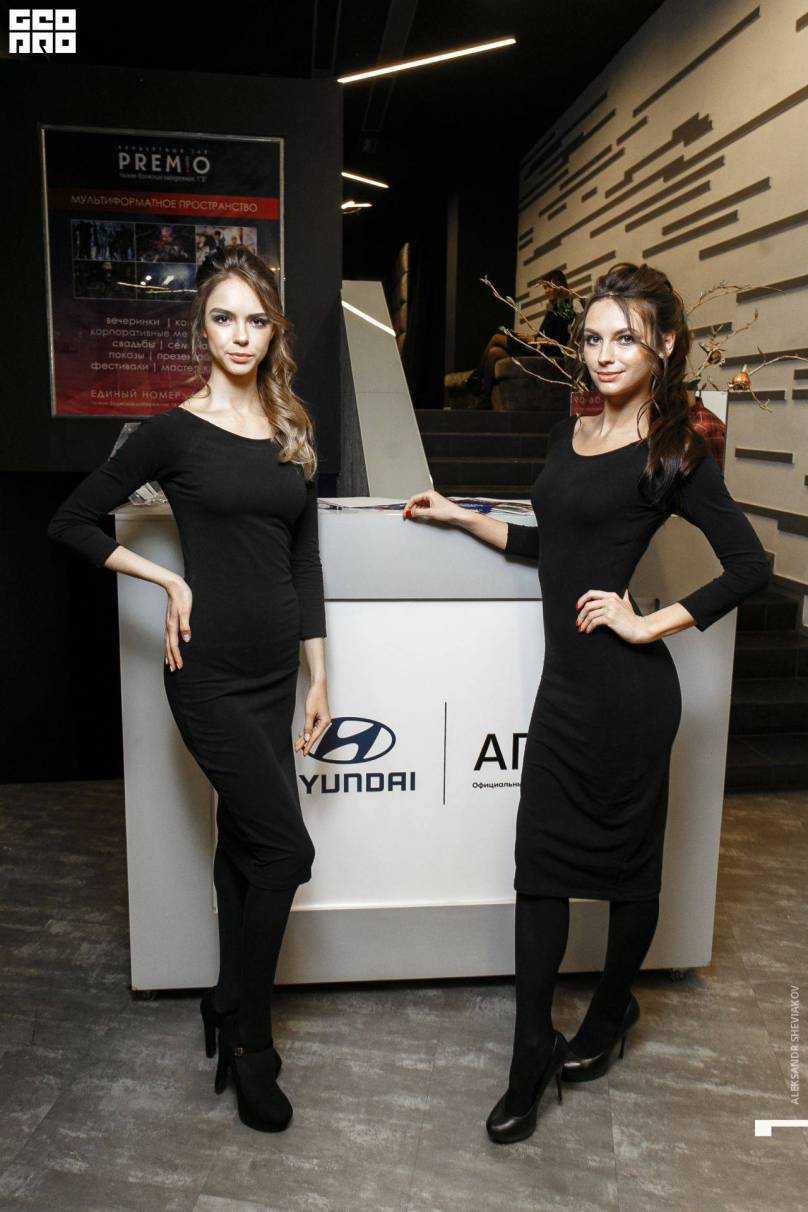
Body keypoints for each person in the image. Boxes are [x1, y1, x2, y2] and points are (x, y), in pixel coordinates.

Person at [403, 262, 769, 1144]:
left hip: (629, 698)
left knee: (629, 873)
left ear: (665, 345)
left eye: (625, 340)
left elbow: (750, 565)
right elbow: (558, 543)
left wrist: (650, 623)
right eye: (593, 339)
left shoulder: (675, 450)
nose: (604, 355)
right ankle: (530, 1053)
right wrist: (462, 516)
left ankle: (610, 1011)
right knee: (540, 872)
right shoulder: (573, 432)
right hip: (565, 691)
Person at [48, 245, 330, 1134]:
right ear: (200, 329)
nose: (240, 335)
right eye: (223, 318)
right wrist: (164, 578)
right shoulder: (172, 431)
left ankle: (224, 1001)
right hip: (205, 676)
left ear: (273, 330)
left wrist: (320, 672)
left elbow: (304, 559)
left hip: (274, 675)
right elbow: (71, 520)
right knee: (286, 853)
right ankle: (252, 1040)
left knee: (247, 843)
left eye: (256, 320)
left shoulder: (290, 423)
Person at [466, 267, 575, 405]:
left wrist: (533, 339)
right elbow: (544, 334)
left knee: (496, 338)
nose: (546, 291)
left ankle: (476, 376)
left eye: (549, 287)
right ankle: (486, 398)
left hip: (547, 352)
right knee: (494, 352)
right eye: (545, 288)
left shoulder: (566, 308)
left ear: (559, 286)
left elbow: (559, 342)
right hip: (538, 346)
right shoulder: (553, 309)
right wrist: (529, 337)